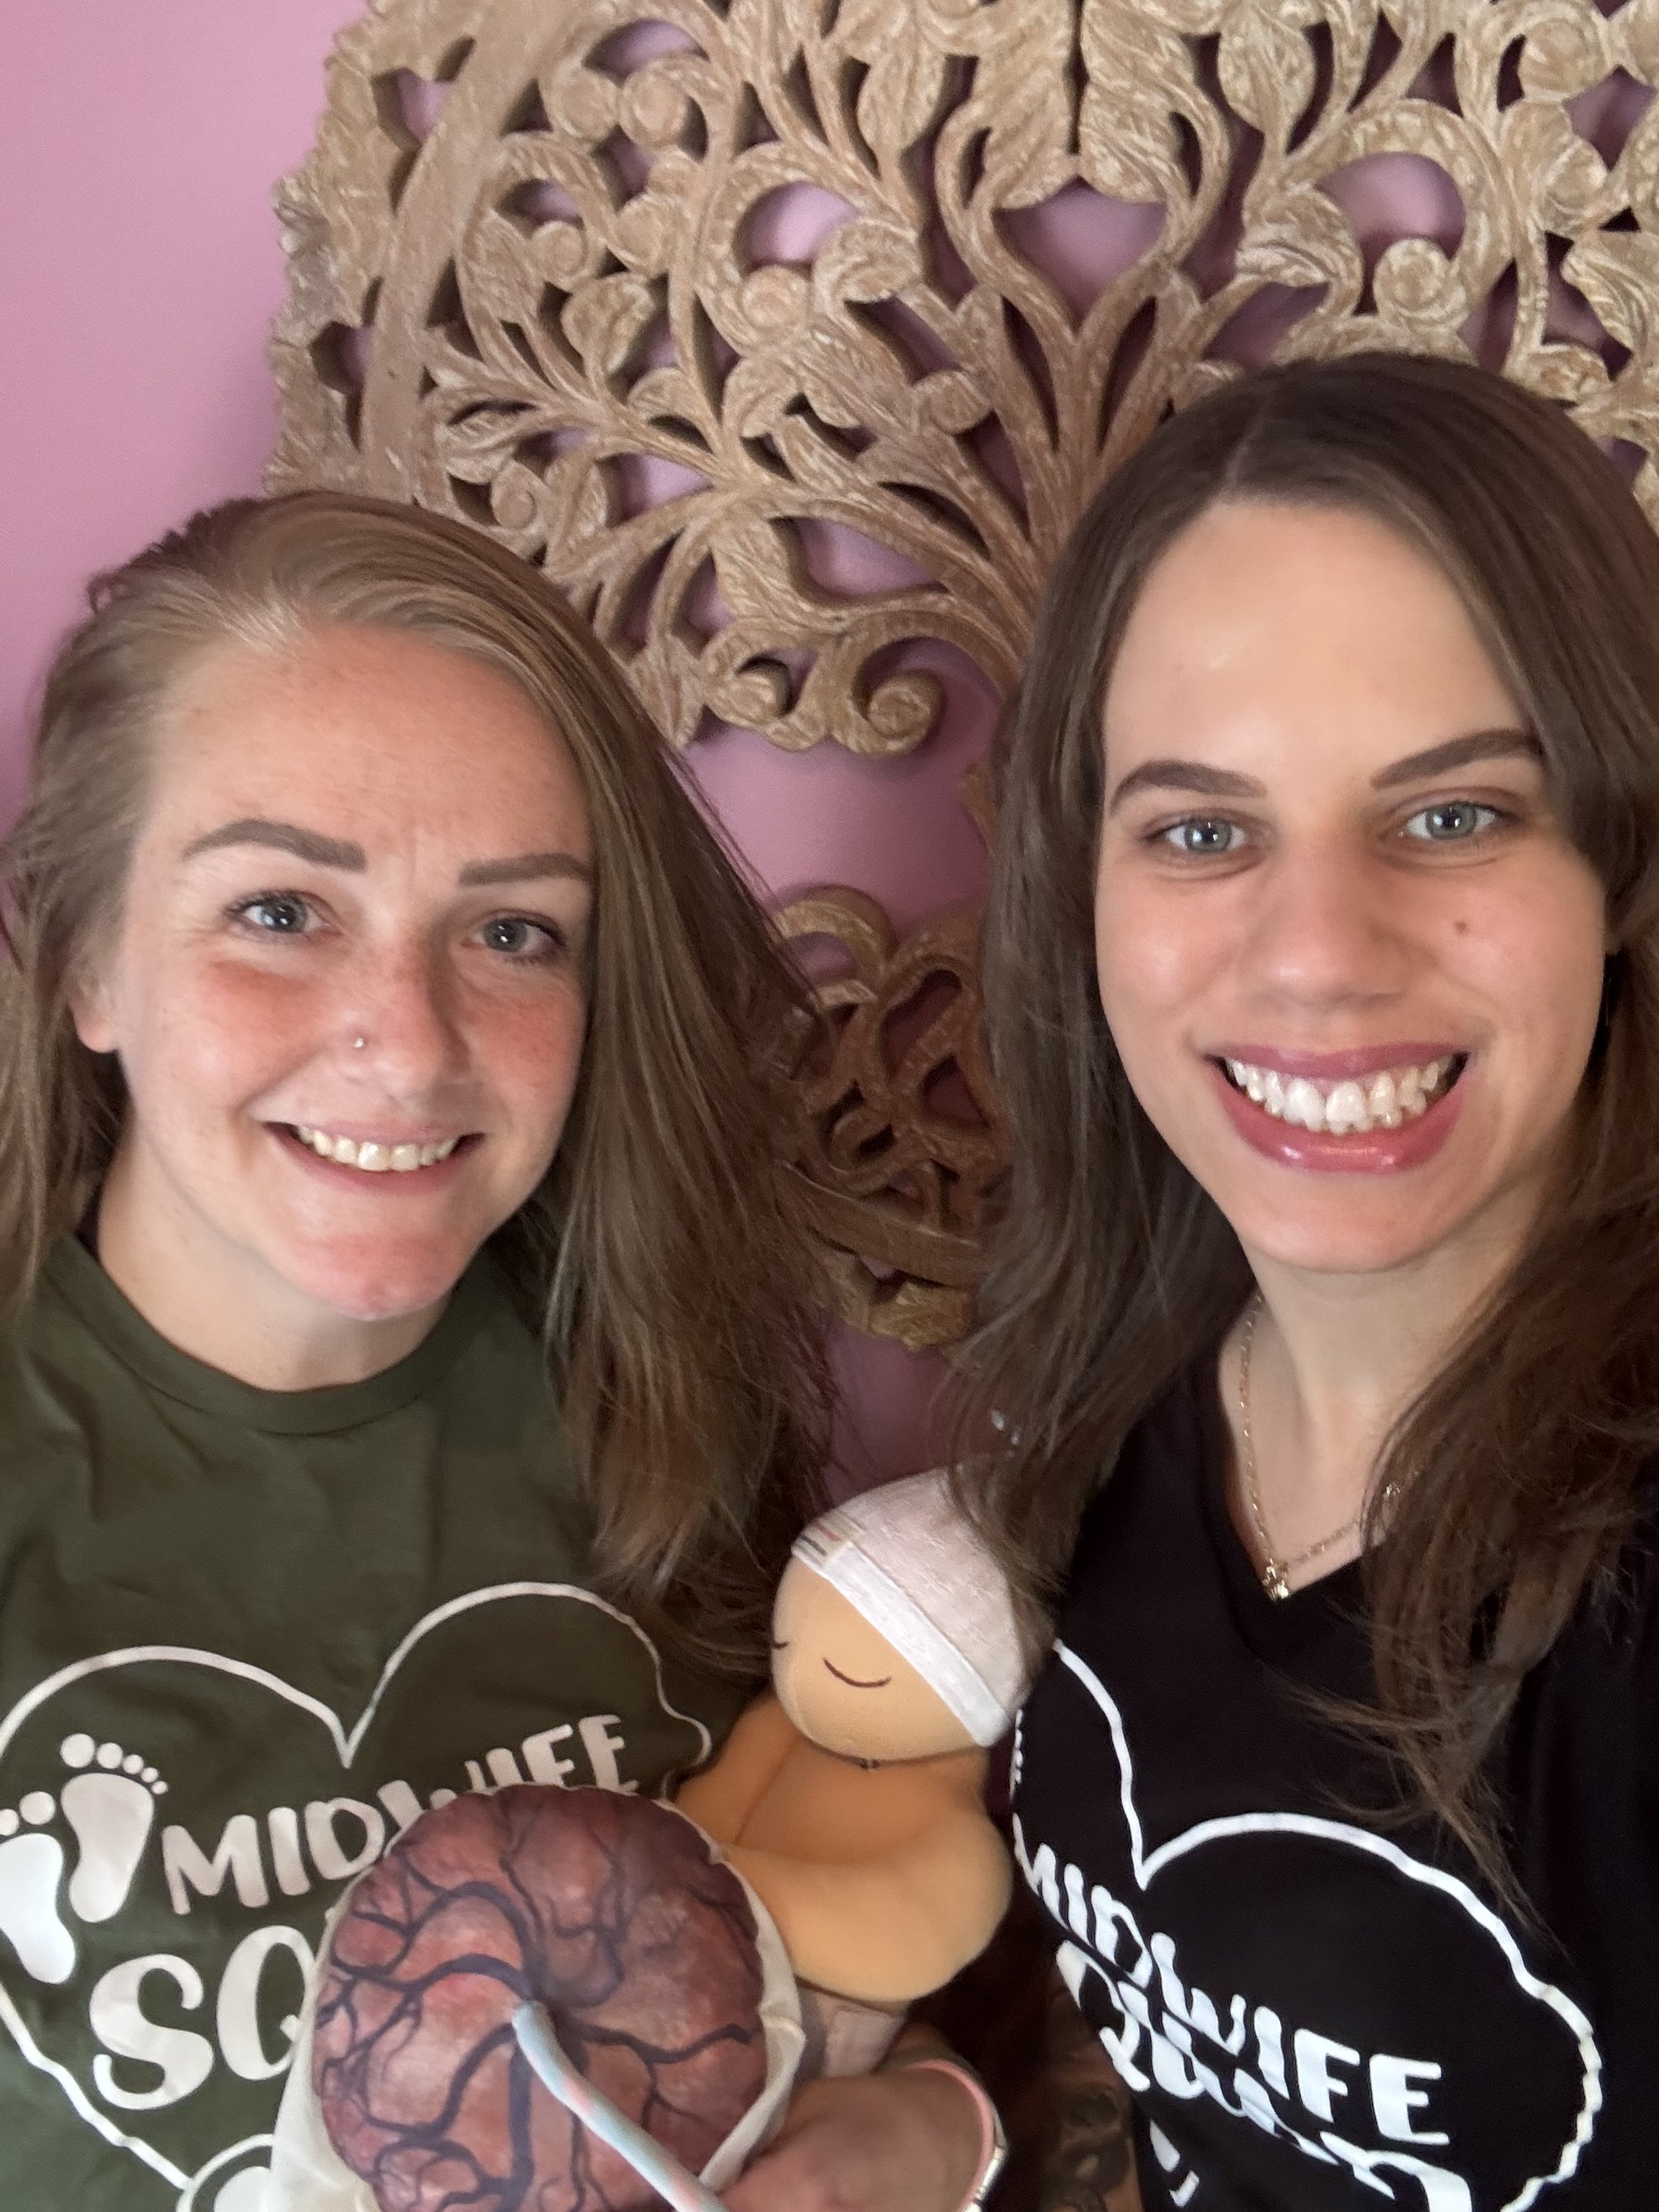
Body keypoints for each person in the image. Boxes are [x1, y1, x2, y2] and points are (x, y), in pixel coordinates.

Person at [0, 491, 989, 2211]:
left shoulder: (660, 1393)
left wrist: (924, 2140)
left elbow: (833, 1974)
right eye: (281, 912)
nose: (412, 1043)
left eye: (512, 931)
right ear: (85, 955)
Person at [963, 353, 1659, 2209]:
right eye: (1200, 830)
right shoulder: (1116, 1378)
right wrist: (918, 2133)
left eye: (1449, 817)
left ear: (1621, 863)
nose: (1317, 955)